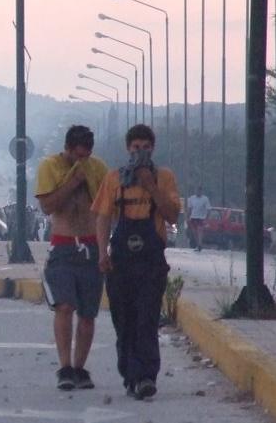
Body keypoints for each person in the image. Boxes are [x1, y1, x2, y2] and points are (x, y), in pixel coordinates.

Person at [92, 124, 181, 400]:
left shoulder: (164, 177)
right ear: (127, 150)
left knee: (147, 319)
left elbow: (172, 216)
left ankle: (145, 376)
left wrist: (151, 185)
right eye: (135, 148)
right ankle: (130, 373)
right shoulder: (114, 179)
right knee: (124, 320)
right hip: (121, 263)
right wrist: (102, 252)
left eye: (145, 148)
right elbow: (104, 217)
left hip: (151, 262)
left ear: (152, 149)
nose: (140, 153)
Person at [34, 125, 108, 390]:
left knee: (88, 314)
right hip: (63, 245)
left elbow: (104, 208)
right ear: (67, 149)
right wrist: (72, 181)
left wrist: (104, 250)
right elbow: (48, 206)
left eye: (85, 156)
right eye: (76, 156)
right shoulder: (50, 166)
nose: (81, 161)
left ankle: (80, 367)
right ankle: (65, 366)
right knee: (64, 306)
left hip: (90, 244)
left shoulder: (97, 167)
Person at [187, 186, 211, 251]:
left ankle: (200, 244)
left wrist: (207, 218)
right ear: (195, 191)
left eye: (199, 191)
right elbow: (189, 209)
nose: (198, 192)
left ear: (201, 191)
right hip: (193, 217)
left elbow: (208, 209)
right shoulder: (191, 198)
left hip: (201, 218)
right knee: (195, 232)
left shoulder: (205, 199)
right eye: (197, 190)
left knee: (200, 230)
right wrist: (187, 217)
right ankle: (198, 245)